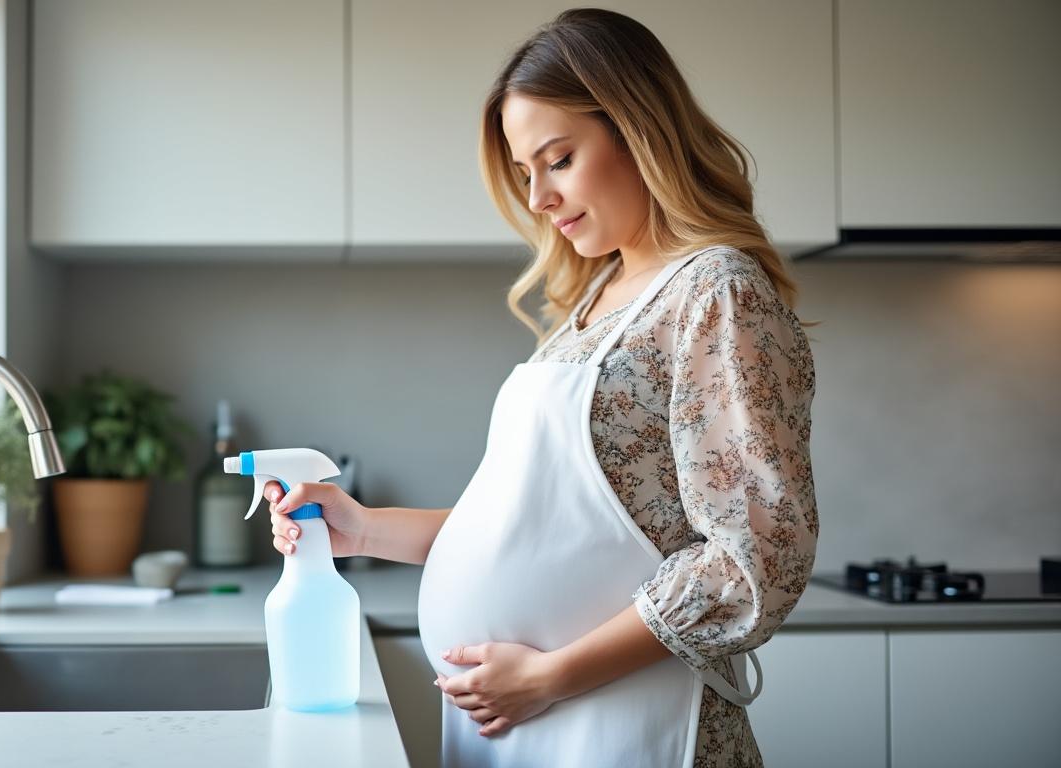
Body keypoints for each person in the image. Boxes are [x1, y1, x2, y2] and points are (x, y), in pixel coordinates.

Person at [265, 7, 817, 766]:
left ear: (639, 129)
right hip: (531, 722)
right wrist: (359, 531)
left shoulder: (715, 292)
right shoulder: (595, 303)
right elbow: (531, 529)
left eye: (558, 159)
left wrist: (553, 677)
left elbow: (755, 559)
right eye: (526, 173)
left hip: (630, 721)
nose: (538, 199)